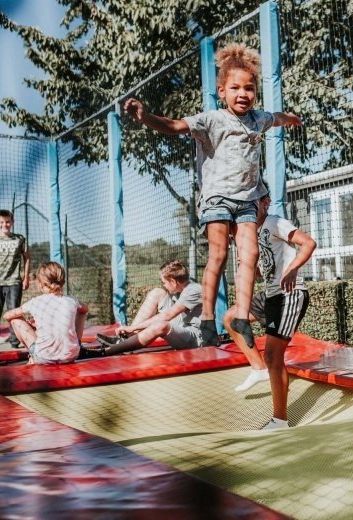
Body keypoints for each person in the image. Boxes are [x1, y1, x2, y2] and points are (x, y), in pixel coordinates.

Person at [122, 43, 302, 348]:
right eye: (235, 88)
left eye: (249, 89)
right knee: (218, 254)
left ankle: (242, 316)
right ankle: (207, 318)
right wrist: (145, 117)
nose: (243, 94)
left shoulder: (259, 119)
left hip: (248, 198)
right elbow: (175, 126)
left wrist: (291, 119)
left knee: (251, 255)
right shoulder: (212, 119)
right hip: (217, 197)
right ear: (222, 91)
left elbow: (277, 117)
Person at [223, 193, 316, 430]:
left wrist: (293, 269)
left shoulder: (275, 222)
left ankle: (280, 420)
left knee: (274, 356)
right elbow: (256, 270)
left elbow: (308, 243)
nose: (248, 208)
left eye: (253, 202)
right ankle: (259, 369)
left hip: (289, 293)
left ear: (265, 203)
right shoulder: (249, 233)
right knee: (231, 318)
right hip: (271, 295)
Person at [86, 260, 203, 356]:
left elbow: (167, 316)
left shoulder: (193, 290)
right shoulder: (180, 290)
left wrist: (132, 327)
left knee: (161, 325)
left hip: (195, 338)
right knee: (157, 292)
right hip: (182, 325)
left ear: (173, 281)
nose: (164, 285)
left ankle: (106, 352)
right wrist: (132, 330)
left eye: (164, 282)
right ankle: (125, 339)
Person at [3, 262, 87, 365]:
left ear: (40, 284)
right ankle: (77, 345)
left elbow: (7, 316)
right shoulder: (71, 300)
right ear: (62, 282)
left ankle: (33, 356)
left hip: (44, 357)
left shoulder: (35, 302)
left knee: (15, 321)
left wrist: (31, 326)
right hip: (71, 355)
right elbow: (85, 310)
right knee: (82, 313)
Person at [0, 209, 30, 352]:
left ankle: (15, 344)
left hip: (14, 283)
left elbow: (27, 258)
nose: (5, 224)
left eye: (8, 221)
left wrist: (26, 277)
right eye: (2, 222)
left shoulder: (20, 239)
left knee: (14, 315)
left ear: (12, 222)